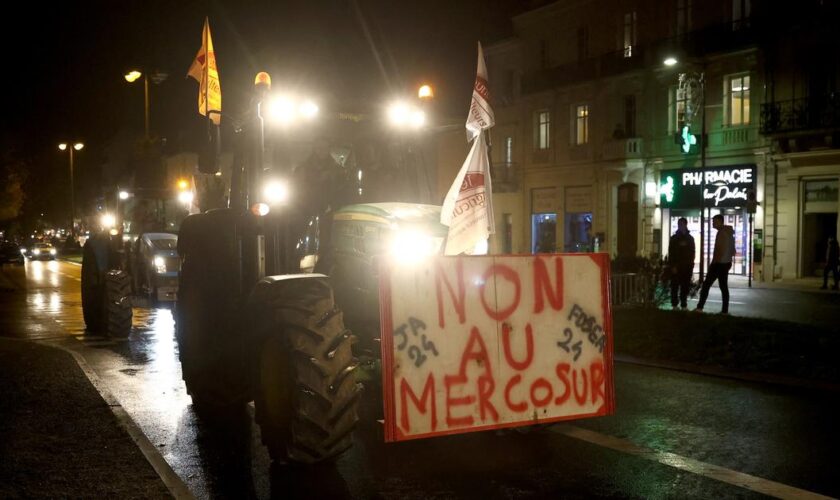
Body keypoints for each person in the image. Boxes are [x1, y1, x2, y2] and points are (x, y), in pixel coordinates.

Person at [695, 214, 736, 314]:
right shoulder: (729, 232)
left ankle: (700, 308)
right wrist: (728, 260)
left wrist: (713, 263)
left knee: (706, 285)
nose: (713, 223)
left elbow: (719, 250)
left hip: (719, 264)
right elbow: (733, 251)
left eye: (714, 221)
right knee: (723, 287)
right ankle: (724, 311)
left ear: (720, 222)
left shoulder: (722, 233)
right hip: (725, 263)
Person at [668, 217, 695, 309]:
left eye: (682, 224)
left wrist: (691, 265)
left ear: (686, 225)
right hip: (677, 266)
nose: (681, 226)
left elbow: (692, 253)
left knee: (684, 287)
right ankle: (675, 305)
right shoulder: (674, 238)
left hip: (687, 267)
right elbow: (671, 253)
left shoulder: (690, 238)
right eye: (679, 224)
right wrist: (672, 266)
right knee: (675, 286)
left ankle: (683, 304)